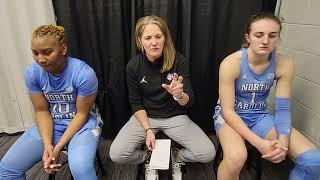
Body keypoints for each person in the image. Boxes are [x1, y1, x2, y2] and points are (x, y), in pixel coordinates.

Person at [213, 13, 320, 180]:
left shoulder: (285, 63)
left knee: (313, 161)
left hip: (259, 116)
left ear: (278, 37)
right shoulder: (230, 63)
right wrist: (259, 143)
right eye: (259, 35)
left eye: (272, 35)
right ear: (248, 37)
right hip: (229, 118)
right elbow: (228, 111)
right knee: (236, 158)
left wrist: (283, 139)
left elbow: (283, 108)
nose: (265, 41)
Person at [109, 15, 215, 180]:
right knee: (117, 154)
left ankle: (176, 157)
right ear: (140, 40)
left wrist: (179, 95)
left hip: (175, 116)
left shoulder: (178, 61)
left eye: (158, 36)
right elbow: (135, 103)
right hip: (145, 117)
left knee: (207, 153)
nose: (154, 42)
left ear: (165, 37)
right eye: (148, 38)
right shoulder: (133, 66)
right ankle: (148, 159)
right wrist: (148, 130)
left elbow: (190, 100)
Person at [0, 25, 102, 180]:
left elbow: (82, 114)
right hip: (52, 123)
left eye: (47, 52)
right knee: (7, 169)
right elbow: (41, 111)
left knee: (81, 169)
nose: (40, 59)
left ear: (63, 49)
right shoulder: (32, 73)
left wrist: (58, 147)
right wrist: (48, 145)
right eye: (35, 53)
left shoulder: (84, 74)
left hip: (82, 124)